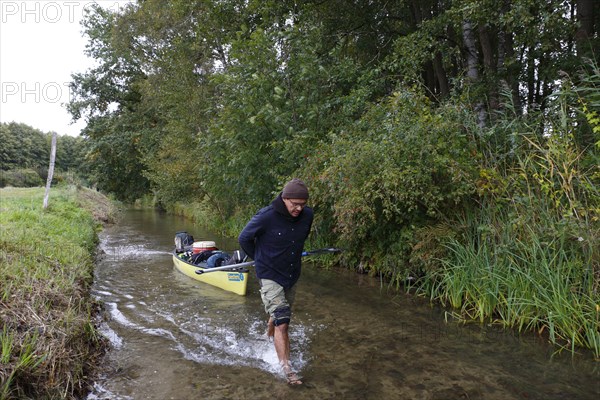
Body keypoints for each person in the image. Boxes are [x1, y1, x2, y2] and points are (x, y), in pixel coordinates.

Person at [238, 178, 313, 385]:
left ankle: (267, 333)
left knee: (283, 310)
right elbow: (244, 238)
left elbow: (300, 238)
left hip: (291, 273)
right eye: (294, 204)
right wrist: (261, 259)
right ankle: (287, 368)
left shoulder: (308, 215)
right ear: (284, 198)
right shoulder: (267, 216)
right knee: (283, 320)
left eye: (302, 204)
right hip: (269, 274)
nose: (298, 208)